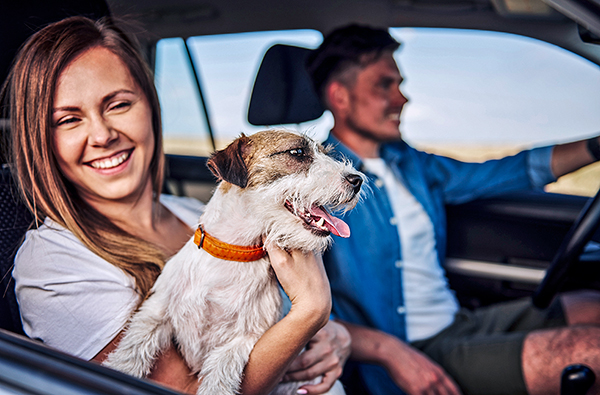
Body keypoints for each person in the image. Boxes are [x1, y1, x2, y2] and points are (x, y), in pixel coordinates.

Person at [3, 16, 349, 395]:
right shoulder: (53, 260)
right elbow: (180, 389)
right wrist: (311, 313)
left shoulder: (193, 212)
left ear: (151, 106)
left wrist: (341, 335)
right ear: (42, 141)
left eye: (118, 104)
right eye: (68, 119)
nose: (102, 135)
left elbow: (278, 313)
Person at [306, 24, 600, 395]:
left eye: (399, 83)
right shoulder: (312, 184)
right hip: (406, 353)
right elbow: (295, 309)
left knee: (593, 306)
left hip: (456, 323)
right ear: (340, 96)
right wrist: (389, 351)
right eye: (384, 85)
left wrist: (594, 148)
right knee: (591, 353)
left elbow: (507, 171)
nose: (402, 98)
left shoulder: (411, 165)